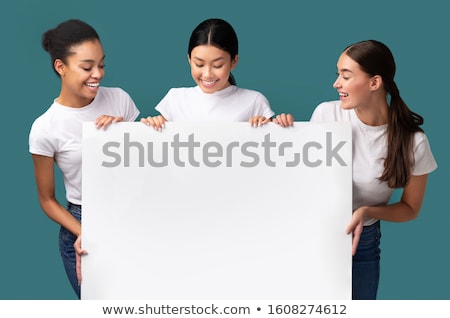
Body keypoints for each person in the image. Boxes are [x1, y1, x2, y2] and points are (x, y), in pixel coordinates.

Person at [306, 40, 437, 299]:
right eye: (337, 75)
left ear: (374, 83)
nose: (336, 84)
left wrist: (366, 212)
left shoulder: (414, 142)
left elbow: (410, 208)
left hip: (362, 242)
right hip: (315, 234)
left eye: (346, 76)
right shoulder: (326, 115)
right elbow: (303, 178)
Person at [28, 19, 140, 299]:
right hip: (82, 223)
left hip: (130, 216)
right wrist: (85, 232)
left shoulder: (120, 100)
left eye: (101, 65)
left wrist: (124, 132)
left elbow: (143, 166)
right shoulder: (45, 127)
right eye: (87, 67)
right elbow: (47, 200)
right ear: (60, 67)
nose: (98, 74)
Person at [141, 18, 277, 128]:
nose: (207, 74)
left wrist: (280, 125)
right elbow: (158, 148)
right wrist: (154, 125)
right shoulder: (175, 99)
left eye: (217, 65)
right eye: (199, 64)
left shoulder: (254, 101)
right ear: (189, 59)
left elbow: (275, 149)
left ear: (234, 62)